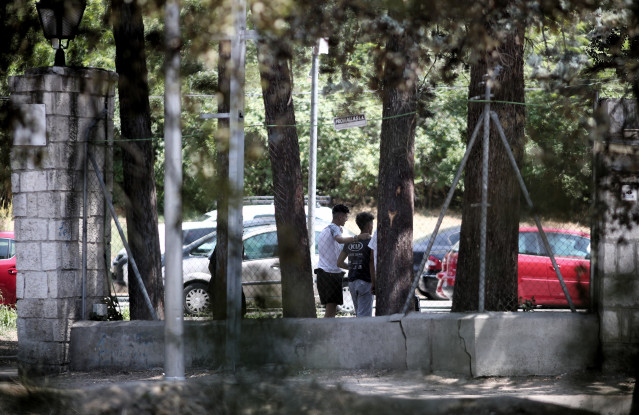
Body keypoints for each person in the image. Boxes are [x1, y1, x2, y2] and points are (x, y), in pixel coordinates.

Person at [316, 204, 370, 318]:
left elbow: (339, 261)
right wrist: (358, 237)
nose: (346, 220)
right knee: (330, 311)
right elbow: (340, 240)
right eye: (346, 217)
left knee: (330, 310)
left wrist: (353, 268)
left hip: (323, 273)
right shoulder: (334, 228)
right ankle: (326, 333)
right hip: (330, 274)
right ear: (340, 217)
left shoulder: (326, 229)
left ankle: (327, 332)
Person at [337, 212, 375, 317]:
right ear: (369, 226)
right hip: (366, 281)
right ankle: (360, 333)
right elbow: (372, 261)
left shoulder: (350, 241)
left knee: (359, 313)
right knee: (364, 316)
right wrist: (374, 282)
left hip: (352, 281)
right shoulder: (371, 242)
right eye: (372, 224)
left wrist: (354, 266)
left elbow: (339, 262)